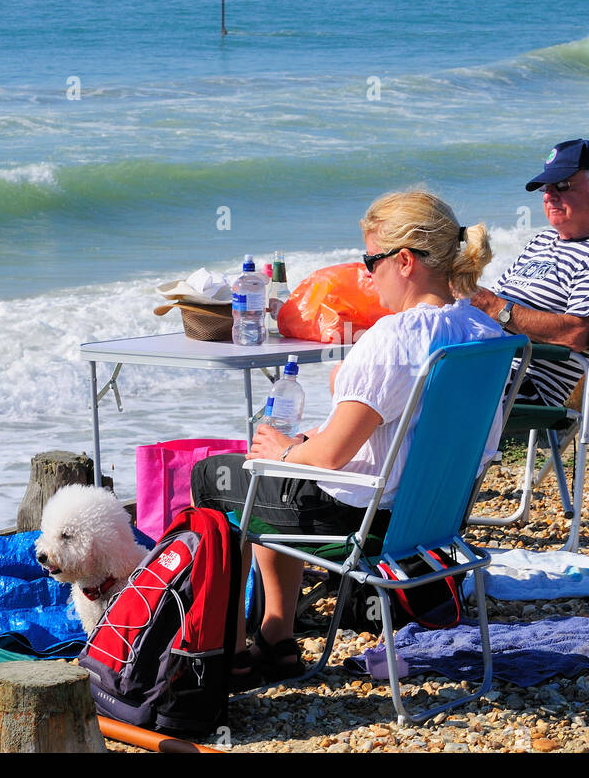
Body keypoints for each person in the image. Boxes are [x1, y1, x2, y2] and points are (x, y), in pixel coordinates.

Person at [191, 190, 505, 688]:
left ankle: (226, 655)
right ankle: (274, 639)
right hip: (430, 524)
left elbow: (332, 456)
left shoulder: (394, 338)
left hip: (367, 527)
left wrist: (288, 450)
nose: (364, 274)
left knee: (218, 475)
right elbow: (417, 426)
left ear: (404, 261)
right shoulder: (483, 331)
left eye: (370, 260)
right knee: (272, 477)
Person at [471, 139, 589, 407]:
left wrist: (495, 307)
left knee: (410, 381)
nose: (549, 196)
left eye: (562, 186)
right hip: (491, 365)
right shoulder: (541, 242)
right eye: (546, 188)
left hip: (524, 384)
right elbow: (490, 304)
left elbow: (575, 333)